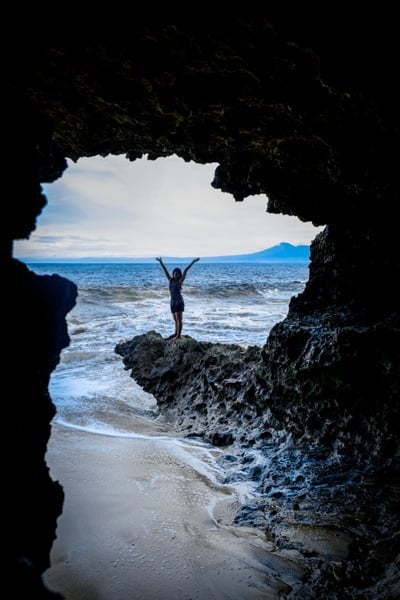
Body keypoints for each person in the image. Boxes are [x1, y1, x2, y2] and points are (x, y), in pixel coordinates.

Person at [156, 256, 200, 340]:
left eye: (177, 274)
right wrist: (161, 262)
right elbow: (165, 271)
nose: (176, 275)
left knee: (179, 320)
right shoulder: (171, 280)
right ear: (173, 274)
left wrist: (193, 262)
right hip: (172, 302)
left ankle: (178, 336)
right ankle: (176, 333)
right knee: (175, 320)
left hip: (179, 301)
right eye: (175, 273)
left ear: (179, 275)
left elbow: (185, 271)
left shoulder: (179, 281)